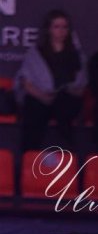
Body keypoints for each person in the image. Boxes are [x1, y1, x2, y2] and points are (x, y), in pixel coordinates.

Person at [14, 8, 86, 152]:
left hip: (66, 100)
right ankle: (29, 155)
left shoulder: (75, 54)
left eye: (65, 27)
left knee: (63, 104)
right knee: (34, 108)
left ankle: (68, 154)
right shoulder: (36, 53)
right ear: (48, 29)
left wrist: (71, 90)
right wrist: (42, 96)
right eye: (57, 27)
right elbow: (25, 82)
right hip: (41, 97)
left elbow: (81, 85)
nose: (61, 31)